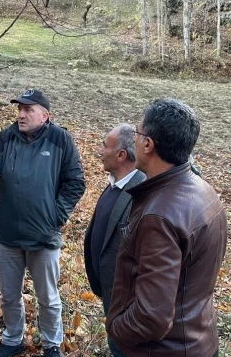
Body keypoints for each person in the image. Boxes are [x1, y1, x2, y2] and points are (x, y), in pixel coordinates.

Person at [0, 88, 86, 357]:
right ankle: (12, 340)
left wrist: (55, 216)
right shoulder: (8, 136)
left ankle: (51, 344)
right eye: (19, 109)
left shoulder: (60, 139)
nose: (21, 115)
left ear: (44, 115)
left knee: (48, 298)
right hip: (9, 234)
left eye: (28, 110)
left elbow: (75, 182)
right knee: (10, 295)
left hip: (44, 237)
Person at [106, 99, 227, 357]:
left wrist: (116, 329)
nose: (134, 140)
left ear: (148, 144)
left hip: (162, 350)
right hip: (199, 341)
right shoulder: (203, 190)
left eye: (137, 133)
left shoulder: (159, 216)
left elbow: (152, 317)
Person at [83, 124, 145, 357]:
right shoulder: (114, 184)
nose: (99, 151)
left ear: (121, 155)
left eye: (104, 145)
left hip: (128, 307)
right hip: (111, 297)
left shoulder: (141, 192)